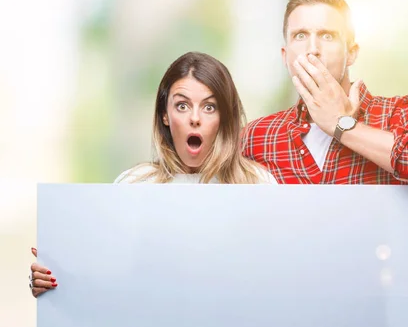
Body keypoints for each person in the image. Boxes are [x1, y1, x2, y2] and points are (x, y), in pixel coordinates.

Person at [29, 51, 277, 297]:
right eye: (182, 105)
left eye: (209, 107)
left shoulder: (258, 184)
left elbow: (276, 279)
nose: (194, 118)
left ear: (225, 117)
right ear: (165, 115)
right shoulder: (135, 184)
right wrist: (54, 281)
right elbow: (107, 276)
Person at [242, 0, 408, 185]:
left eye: (327, 36)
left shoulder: (401, 112)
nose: (312, 49)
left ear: (352, 53)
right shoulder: (258, 136)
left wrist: (342, 125)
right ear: (285, 56)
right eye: (300, 35)